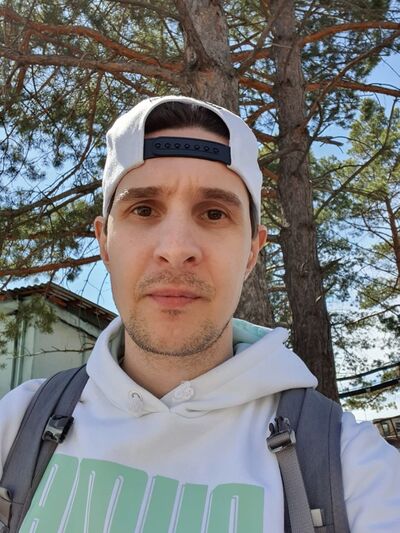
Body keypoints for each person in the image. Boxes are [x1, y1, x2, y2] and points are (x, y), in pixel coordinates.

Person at [0, 95, 399, 532]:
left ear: (252, 251)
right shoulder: (16, 427)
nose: (176, 250)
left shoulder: (349, 466)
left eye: (213, 213)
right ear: (104, 242)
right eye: (143, 209)